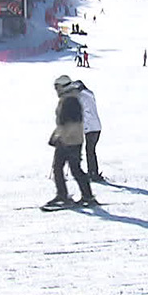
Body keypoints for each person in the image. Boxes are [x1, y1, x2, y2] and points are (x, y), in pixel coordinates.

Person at [46, 75, 96, 208]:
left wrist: (61, 137)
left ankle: (82, 196)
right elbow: (62, 123)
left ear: (63, 86)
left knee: (71, 169)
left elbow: (72, 123)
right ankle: (68, 195)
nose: (55, 90)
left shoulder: (71, 100)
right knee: (62, 168)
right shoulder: (67, 99)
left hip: (71, 141)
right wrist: (56, 136)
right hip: (68, 139)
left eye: (57, 87)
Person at [74, 79, 104, 181]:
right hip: (96, 127)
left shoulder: (81, 98)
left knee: (90, 151)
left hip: (90, 128)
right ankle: (92, 171)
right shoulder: (89, 94)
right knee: (91, 150)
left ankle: (93, 173)